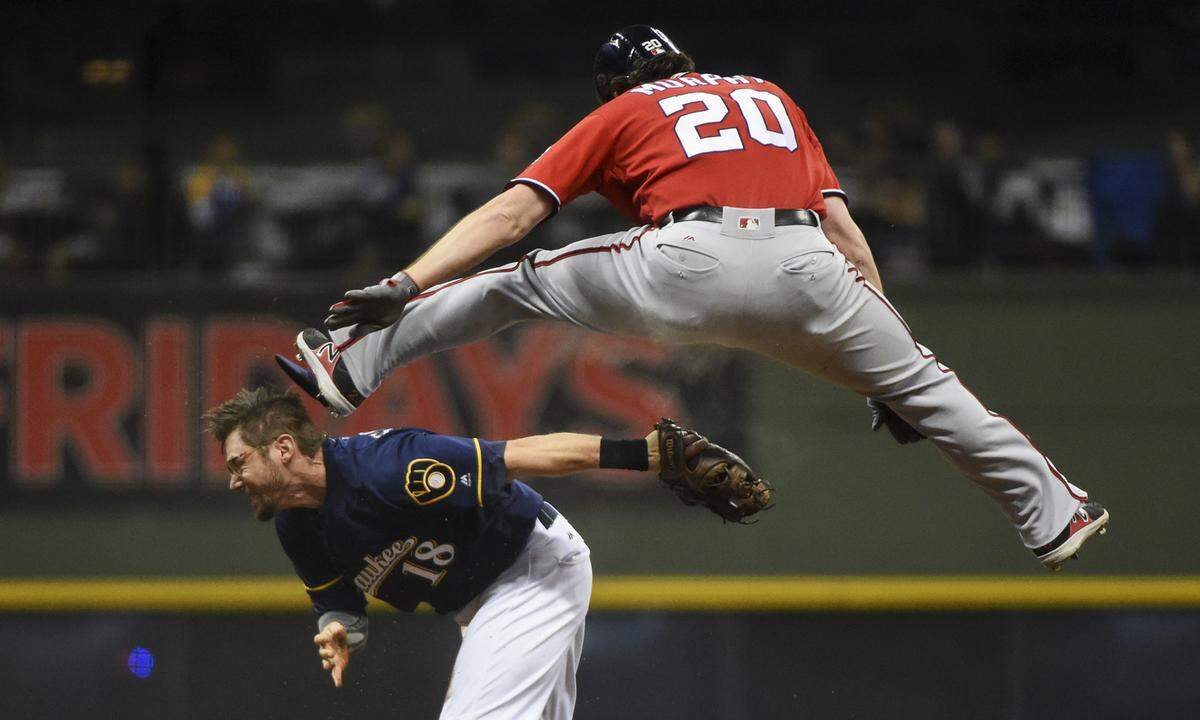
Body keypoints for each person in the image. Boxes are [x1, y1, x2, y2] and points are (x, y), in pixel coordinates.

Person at [275, 25, 1107, 570]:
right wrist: (876, 367)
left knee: (512, 285)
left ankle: (347, 366)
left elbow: (514, 212)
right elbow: (849, 239)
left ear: (616, 84)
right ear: (685, 62)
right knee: (933, 389)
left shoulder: (626, 110)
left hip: (688, 261)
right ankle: (1053, 515)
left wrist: (410, 280)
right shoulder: (773, 97)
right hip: (810, 267)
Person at [202, 386, 711, 718]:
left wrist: (640, 455)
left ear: (284, 448)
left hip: (530, 567)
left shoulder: (387, 468)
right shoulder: (297, 527)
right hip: (483, 602)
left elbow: (519, 456)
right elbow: (340, 606)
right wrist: (337, 629)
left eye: (238, 462)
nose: (232, 481)